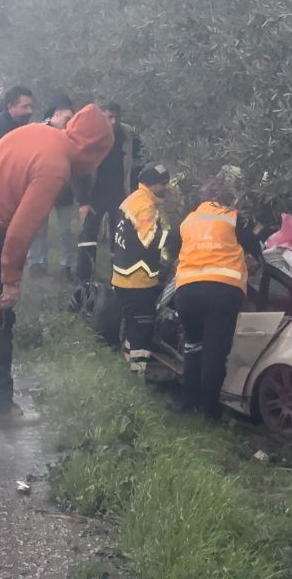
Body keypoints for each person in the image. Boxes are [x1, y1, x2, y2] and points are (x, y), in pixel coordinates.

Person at [0, 104, 113, 424]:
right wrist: (10, 281)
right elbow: (22, 228)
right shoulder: (55, 166)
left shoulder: (36, 131)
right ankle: (0, 409)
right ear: (91, 148)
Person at [174, 179, 267, 420]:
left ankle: (187, 403)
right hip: (221, 291)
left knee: (193, 345)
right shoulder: (232, 217)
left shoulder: (188, 221)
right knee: (215, 353)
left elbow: (176, 250)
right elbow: (257, 248)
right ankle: (210, 412)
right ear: (227, 199)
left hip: (186, 291)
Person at [111, 164, 172, 376]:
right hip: (139, 280)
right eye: (163, 184)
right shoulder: (146, 207)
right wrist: (173, 239)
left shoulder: (132, 199)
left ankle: (127, 365)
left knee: (131, 324)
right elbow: (148, 239)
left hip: (122, 276)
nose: (166, 187)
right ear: (152, 184)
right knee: (142, 326)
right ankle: (137, 373)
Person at [74, 101, 142, 282]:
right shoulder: (91, 134)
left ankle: (118, 277)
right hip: (94, 194)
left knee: (119, 236)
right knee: (88, 234)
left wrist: (136, 194)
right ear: (101, 117)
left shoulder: (129, 135)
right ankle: (84, 279)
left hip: (120, 193)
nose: (113, 122)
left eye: (116, 117)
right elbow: (79, 169)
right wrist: (83, 202)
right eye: (109, 117)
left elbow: (137, 165)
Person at [27, 93, 77, 280]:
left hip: (64, 190)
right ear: (56, 114)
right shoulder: (38, 132)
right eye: (66, 118)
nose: (69, 122)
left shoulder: (71, 135)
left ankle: (66, 266)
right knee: (39, 228)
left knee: (66, 230)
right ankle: (36, 263)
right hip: (41, 189)